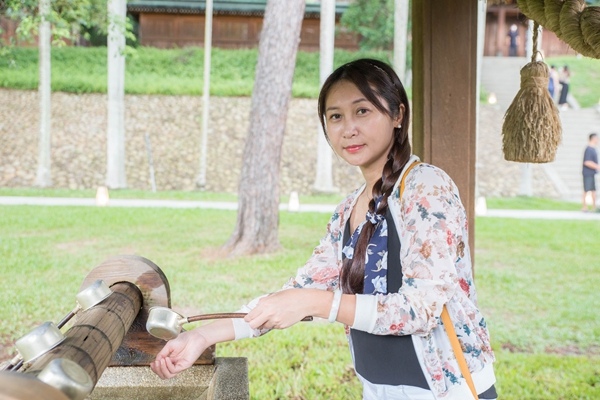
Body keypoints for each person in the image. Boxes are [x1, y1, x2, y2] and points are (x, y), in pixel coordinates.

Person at [151, 59, 497, 400]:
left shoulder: (426, 187)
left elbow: (420, 310)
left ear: (397, 115)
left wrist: (315, 303)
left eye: (362, 111)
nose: (348, 128)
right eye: (335, 116)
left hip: (450, 390)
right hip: (378, 390)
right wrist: (201, 337)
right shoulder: (348, 210)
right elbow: (297, 291)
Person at [582, 133, 600, 212]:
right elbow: (587, 162)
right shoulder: (588, 149)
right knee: (586, 190)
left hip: (592, 173)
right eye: (597, 138)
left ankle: (593, 207)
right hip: (587, 173)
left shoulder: (593, 149)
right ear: (593, 139)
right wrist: (597, 166)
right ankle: (584, 207)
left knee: (593, 190)